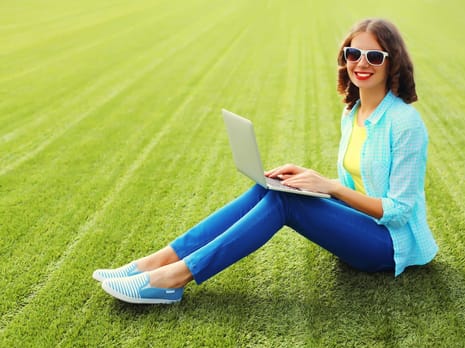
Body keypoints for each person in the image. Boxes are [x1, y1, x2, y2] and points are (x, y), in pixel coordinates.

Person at [93, 18, 438, 304]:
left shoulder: (405, 123)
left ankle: (173, 278)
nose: (361, 63)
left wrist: (330, 187)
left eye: (374, 57)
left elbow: (400, 210)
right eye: (353, 53)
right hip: (360, 225)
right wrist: (312, 179)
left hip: (390, 245)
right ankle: (153, 263)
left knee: (284, 202)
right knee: (272, 188)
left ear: (392, 63)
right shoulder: (353, 112)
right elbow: (353, 186)